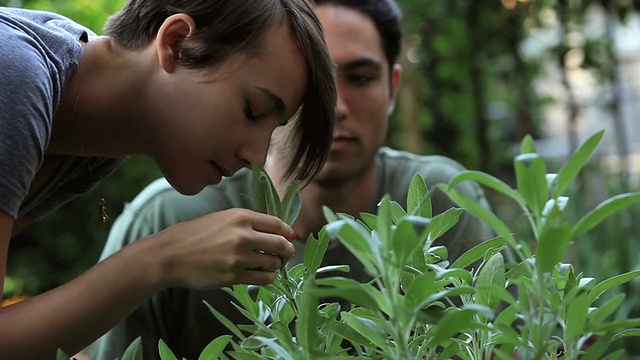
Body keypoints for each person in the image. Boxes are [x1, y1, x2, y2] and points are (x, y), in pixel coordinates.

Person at [89, 1, 497, 359]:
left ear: (392, 89)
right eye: (316, 89)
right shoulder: (167, 218)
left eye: (359, 78)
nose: (335, 109)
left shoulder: (444, 201)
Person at [0, 0, 336, 358]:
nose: (255, 155)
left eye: (273, 129)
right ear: (177, 43)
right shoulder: (17, 76)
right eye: (253, 110)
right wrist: (160, 258)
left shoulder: (98, 138)